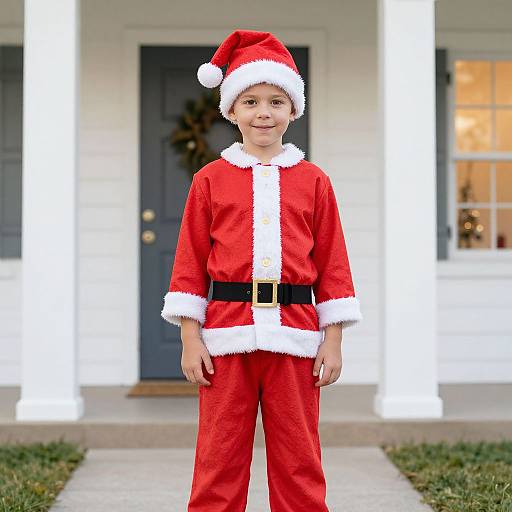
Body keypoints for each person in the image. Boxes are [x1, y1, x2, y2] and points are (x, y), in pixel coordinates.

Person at [161, 29, 362, 512]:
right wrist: (191, 336)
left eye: (276, 101)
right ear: (231, 111)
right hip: (225, 335)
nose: (264, 113)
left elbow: (333, 263)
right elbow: (189, 260)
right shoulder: (209, 180)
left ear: (293, 109)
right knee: (219, 455)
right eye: (250, 101)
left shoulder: (315, 181)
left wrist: (332, 340)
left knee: (298, 457)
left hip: (296, 335)